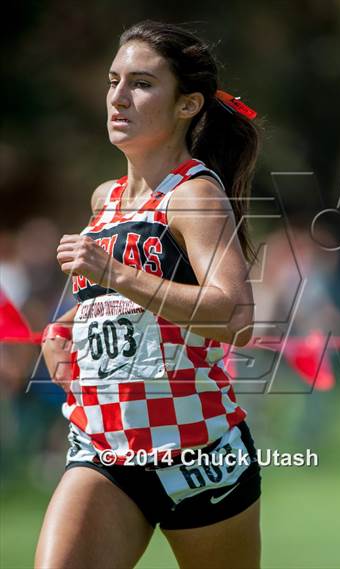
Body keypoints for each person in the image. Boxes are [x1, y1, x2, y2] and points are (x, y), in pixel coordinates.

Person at [36, 20, 261, 569]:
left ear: (187, 105)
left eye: (141, 83)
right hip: (104, 447)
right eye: (113, 81)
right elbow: (113, 305)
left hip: (198, 455)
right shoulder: (105, 198)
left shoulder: (194, 194)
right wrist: (63, 328)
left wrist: (115, 273)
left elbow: (235, 316)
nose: (117, 97)